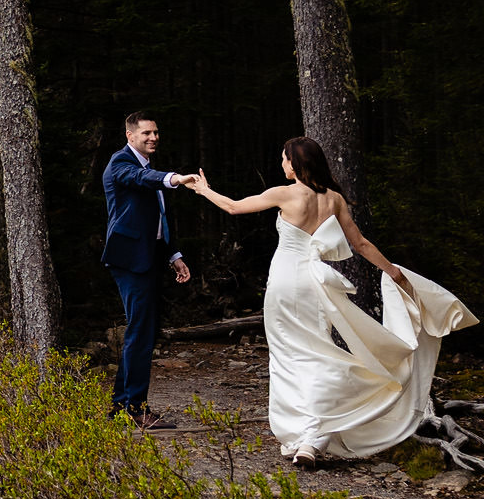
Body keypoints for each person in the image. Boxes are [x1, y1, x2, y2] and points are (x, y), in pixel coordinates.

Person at [180, 137, 477, 466]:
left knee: (290, 358)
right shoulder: (334, 198)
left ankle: (309, 436)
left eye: (283, 159)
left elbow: (234, 206)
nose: (281, 164)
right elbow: (361, 244)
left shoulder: (286, 193)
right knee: (318, 352)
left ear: (295, 164)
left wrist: (203, 189)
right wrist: (393, 272)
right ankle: (314, 437)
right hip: (315, 286)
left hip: (284, 283)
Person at [101, 112, 193, 427]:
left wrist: (173, 255)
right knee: (141, 332)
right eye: (146, 133)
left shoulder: (146, 166)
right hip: (129, 261)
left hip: (150, 256)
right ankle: (136, 410)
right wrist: (175, 178)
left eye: (156, 132)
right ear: (130, 136)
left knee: (141, 332)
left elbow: (156, 221)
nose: (153, 137)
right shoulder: (121, 164)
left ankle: (120, 407)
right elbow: (141, 180)